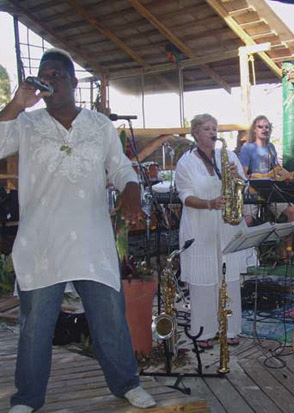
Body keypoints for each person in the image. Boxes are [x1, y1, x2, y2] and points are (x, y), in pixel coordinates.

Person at [0, 48, 156, 413]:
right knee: (35, 327)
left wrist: (131, 187)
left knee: (110, 318)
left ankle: (127, 383)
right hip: (43, 243)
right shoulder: (26, 124)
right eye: (44, 74)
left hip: (92, 242)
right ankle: (28, 398)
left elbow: (120, 168)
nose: (49, 79)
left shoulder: (99, 125)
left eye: (56, 73)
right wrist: (16, 104)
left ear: (72, 81)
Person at [175, 114, 251, 349]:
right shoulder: (186, 162)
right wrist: (209, 203)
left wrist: (237, 175)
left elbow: (244, 184)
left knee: (229, 278)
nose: (212, 132)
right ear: (195, 134)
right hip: (199, 226)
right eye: (206, 129)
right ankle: (203, 331)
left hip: (228, 225)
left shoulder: (228, 155)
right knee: (202, 281)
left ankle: (230, 330)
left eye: (214, 128)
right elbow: (185, 196)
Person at [239, 115, 294, 259]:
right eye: (260, 127)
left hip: (271, 191)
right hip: (253, 191)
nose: (264, 130)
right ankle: (248, 255)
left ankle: (286, 249)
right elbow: (243, 174)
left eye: (267, 127)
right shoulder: (247, 148)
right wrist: (265, 175)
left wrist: (291, 174)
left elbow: (278, 169)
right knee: (247, 221)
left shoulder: (271, 147)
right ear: (254, 129)